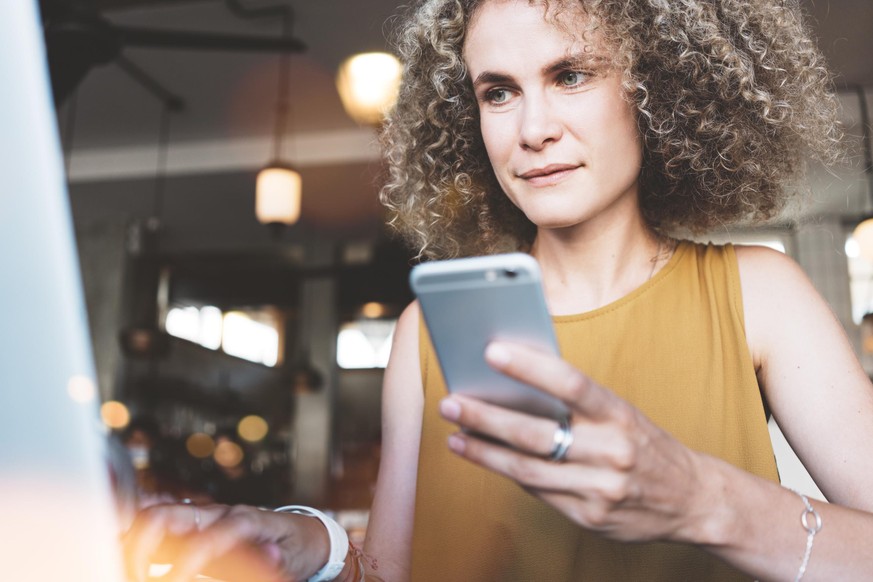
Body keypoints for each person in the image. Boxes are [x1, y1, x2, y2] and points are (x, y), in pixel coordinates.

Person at [123, 0, 873, 580]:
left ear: (656, 90)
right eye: (498, 92)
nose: (532, 128)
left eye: (569, 75)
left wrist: (699, 498)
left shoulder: (757, 293)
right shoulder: (428, 330)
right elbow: (395, 570)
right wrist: (307, 544)